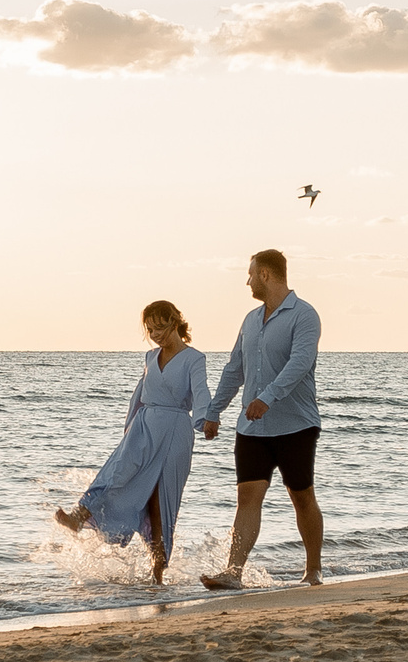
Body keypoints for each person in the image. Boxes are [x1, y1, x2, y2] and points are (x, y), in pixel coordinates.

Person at [52, 300, 214, 584]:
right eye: (150, 329)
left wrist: (205, 421)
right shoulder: (150, 357)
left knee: (161, 505)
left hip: (175, 431)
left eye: (160, 327)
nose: (156, 334)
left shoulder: (194, 359)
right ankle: (79, 516)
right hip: (143, 428)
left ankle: (157, 574)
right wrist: (128, 431)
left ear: (175, 322)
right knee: (116, 473)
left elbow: (201, 393)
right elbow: (138, 397)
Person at [198, 249, 324, 589]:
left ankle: (313, 570)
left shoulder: (304, 315)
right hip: (252, 427)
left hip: (296, 424)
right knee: (247, 497)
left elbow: (299, 364)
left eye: (251, 273)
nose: (248, 280)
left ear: (266, 274)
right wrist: (214, 412)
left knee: (301, 496)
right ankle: (233, 572)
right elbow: (234, 369)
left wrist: (266, 399)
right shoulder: (250, 319)